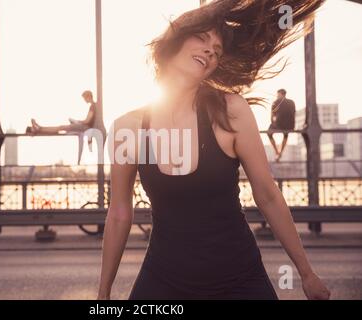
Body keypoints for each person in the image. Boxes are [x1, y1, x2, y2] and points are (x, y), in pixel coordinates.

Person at [97, 0, 330, 300]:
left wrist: (307, 274)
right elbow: (118, 213)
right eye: (202, 38)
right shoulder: (127, 128)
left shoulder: (231, 111)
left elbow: (267, 194)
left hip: (239, 278)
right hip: (165, 279)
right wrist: (103, 293)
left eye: (217, 50)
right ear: (175, 39)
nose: (210, 50)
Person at [28, 90, 96, 134]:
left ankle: (40, 129)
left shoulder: (92, 106)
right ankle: (40, 128)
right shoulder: (94, 105)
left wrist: (78, 121)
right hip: (85, 127)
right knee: (60, 127)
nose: (84, 100)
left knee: (60, 127)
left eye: (84, 98)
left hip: (86, 128)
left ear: (88, 97)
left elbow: (87, 121)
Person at [267, 89, 296, 162]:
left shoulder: (276, 102)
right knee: (286, 135)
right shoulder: (292, 102)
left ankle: (277, 151)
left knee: (269, 133)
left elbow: (272, 116)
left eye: (277, 95)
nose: (277, 96)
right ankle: (280, 152)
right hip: (290, 125)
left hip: (279, 124)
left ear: (281, 94)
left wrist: (273, 124)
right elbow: (294, 114)